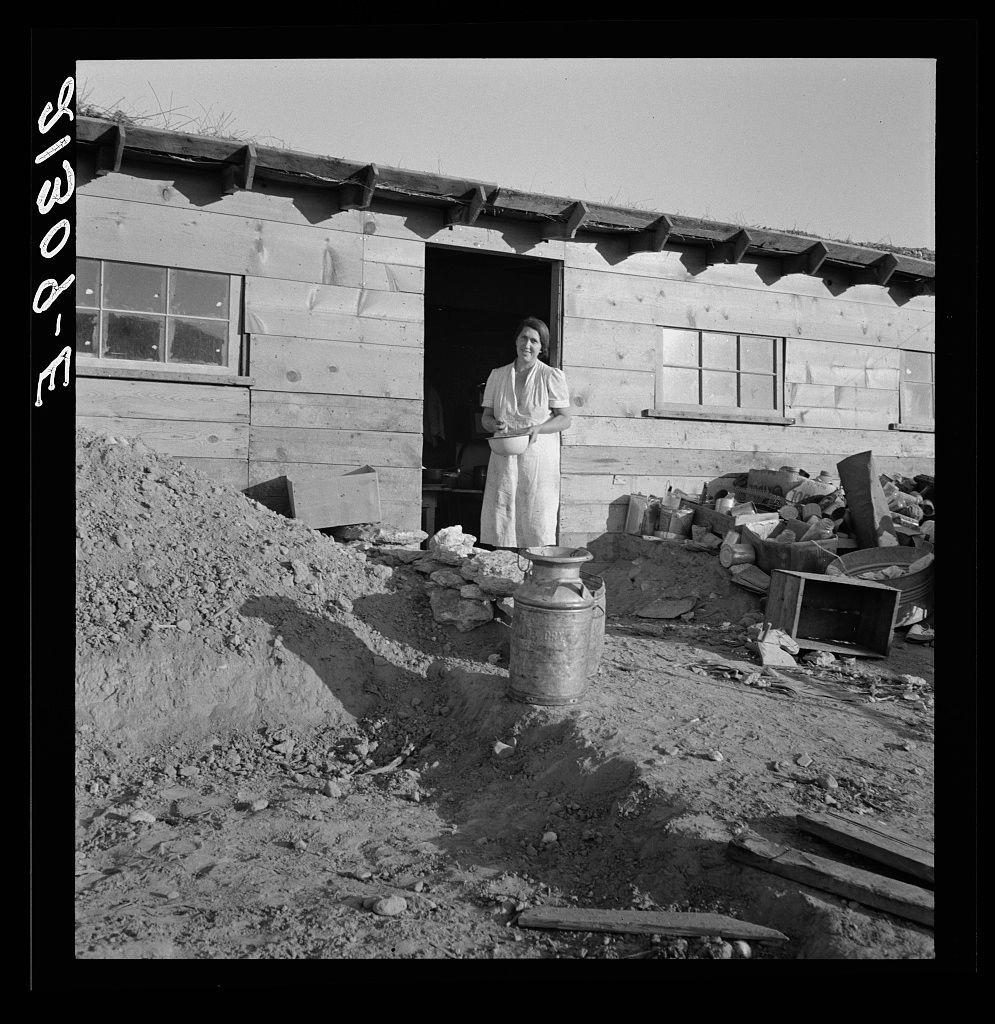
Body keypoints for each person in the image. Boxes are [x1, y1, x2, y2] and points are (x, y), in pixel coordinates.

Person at [479, 317, 572, 549]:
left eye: (534, 340)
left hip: (537, 458)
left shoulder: (550, 376)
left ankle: (535, 573)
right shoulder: (498, 375)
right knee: (503, 513)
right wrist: (493, 425)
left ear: (542, 347)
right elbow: (485, 418)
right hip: (504, 454)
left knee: (535, 517)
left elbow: (565, 419)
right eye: (523, 338)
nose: (527, 345)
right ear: (516, 340)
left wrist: (539, 428)